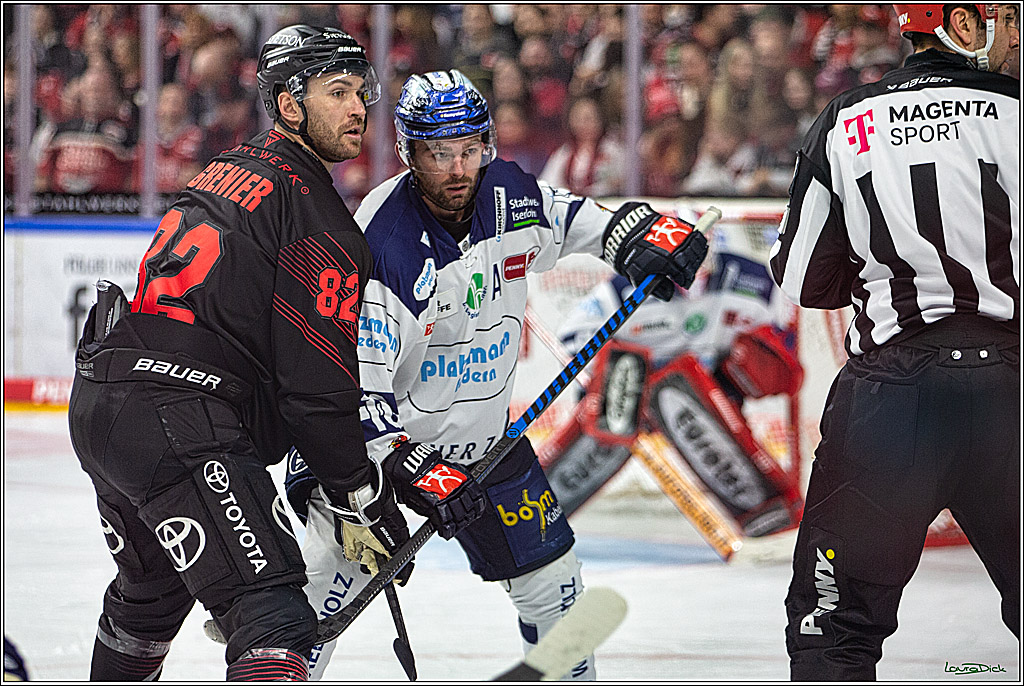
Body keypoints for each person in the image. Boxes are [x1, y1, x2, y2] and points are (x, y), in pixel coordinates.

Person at [288, 69, 709, 680]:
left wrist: (652, 233)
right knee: (318, 608)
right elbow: (355, 391)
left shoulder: (507, 194)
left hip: (486, 448)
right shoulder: (384, 247)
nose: (458, 170)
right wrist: (414, 472)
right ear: (409, 152)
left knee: (555, 586)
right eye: (438, 153)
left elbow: (584, 224)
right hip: (375, 462)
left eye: (469, 150)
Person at [68, 25, 388, 680]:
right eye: (337, 92)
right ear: (290, 104)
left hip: (104, 398)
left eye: (361, 91)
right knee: (273, 616)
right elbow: (315, 387)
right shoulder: (318, 219)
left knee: (147, 604)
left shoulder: (228, 167)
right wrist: (358, 491)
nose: (358, 108)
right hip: (177, 416)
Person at [770, 4, 1019, 680]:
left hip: (891, 401)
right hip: (1013, 395)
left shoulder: (846, 120)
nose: (1019, 35)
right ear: (962, 26)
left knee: (835, 631)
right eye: (1009, 18)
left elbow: (803, 279)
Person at [551, 217, 805, 531]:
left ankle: (763, 509)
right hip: (633, 392)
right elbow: (572, 336)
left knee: (689, 390)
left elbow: (785, 341)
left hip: (707, 392)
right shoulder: (627, 286)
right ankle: (542, 505)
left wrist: (758, 357)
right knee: (620, 392)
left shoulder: (752, 280)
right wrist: (613, 371)